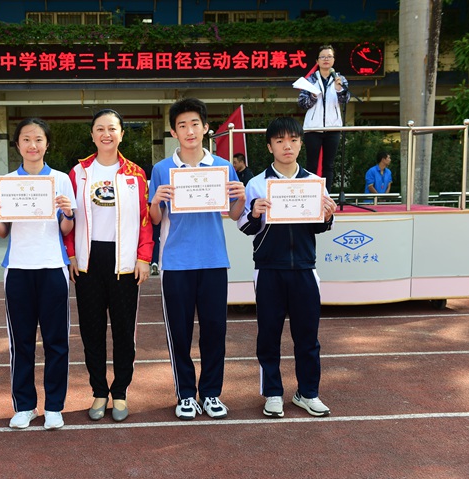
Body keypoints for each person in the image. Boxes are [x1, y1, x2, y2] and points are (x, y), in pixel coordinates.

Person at [148, 98, 246, 420]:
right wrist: (156, 201)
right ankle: (186, 395)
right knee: (179, 332)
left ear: (206, 128)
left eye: (194, 124)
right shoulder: (162, 169)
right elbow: (155, 218)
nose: (189, 131)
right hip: (176, 262)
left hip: (214, 259)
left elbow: (233, 214)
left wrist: (241, 197)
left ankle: (212, 393)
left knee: (215, 330)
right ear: (173, 132)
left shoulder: (222, 167)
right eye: (182, 125)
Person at [238, 117, 336, 419]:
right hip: (268, 270)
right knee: (268, 335)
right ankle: (273, 393)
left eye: (293, 139)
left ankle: (308, 393)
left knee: (308, 337)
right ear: (270, 146)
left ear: (301, 143)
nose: (287, 146)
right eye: (279, 141)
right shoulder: (256, 184)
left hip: (305, 269)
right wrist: (254, 213)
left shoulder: (314, 183)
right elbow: (244, 227)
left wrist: (327, 216)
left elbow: (320, 227)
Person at [0, 118, 75, 431]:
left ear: (47, 144)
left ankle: (54, 407)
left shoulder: (61, 180)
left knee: (56, 342)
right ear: (17, 145)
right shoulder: (7, 183)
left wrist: (68, 212)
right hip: (18, 269)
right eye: (26, 139)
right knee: (21, 342)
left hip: (52, 267)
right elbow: (2, 232)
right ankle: (24, 406)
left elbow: (66, 229)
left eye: (38, 139)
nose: (32, 145)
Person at [64, 109, 153, 422]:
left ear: (121, 134)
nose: (106, 134)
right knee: (92, 330)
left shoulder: (136, 174)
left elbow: (145, 219)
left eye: (112, 129)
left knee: (124, 331)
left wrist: (144, 257)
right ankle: (99, 391)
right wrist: (70, 255)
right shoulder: (78, 173)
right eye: (100, 129)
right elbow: (69, 218)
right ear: (92, 135)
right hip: (88, 261)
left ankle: (121, 391)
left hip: (124, 262)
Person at [298, 44, 351, 192]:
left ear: (333, 60)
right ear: (317, 61)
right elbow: (302, 103)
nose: (326, 59)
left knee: (329, 165)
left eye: (329, 56)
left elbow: (345, 100)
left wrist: (339, 89)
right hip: (312, 128)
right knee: (312, 164)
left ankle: (326, 195)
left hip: (333, 128)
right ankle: (311, 194)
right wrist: (313, 96)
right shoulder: (310, 80)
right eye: (323, 57)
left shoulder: (340, 79)